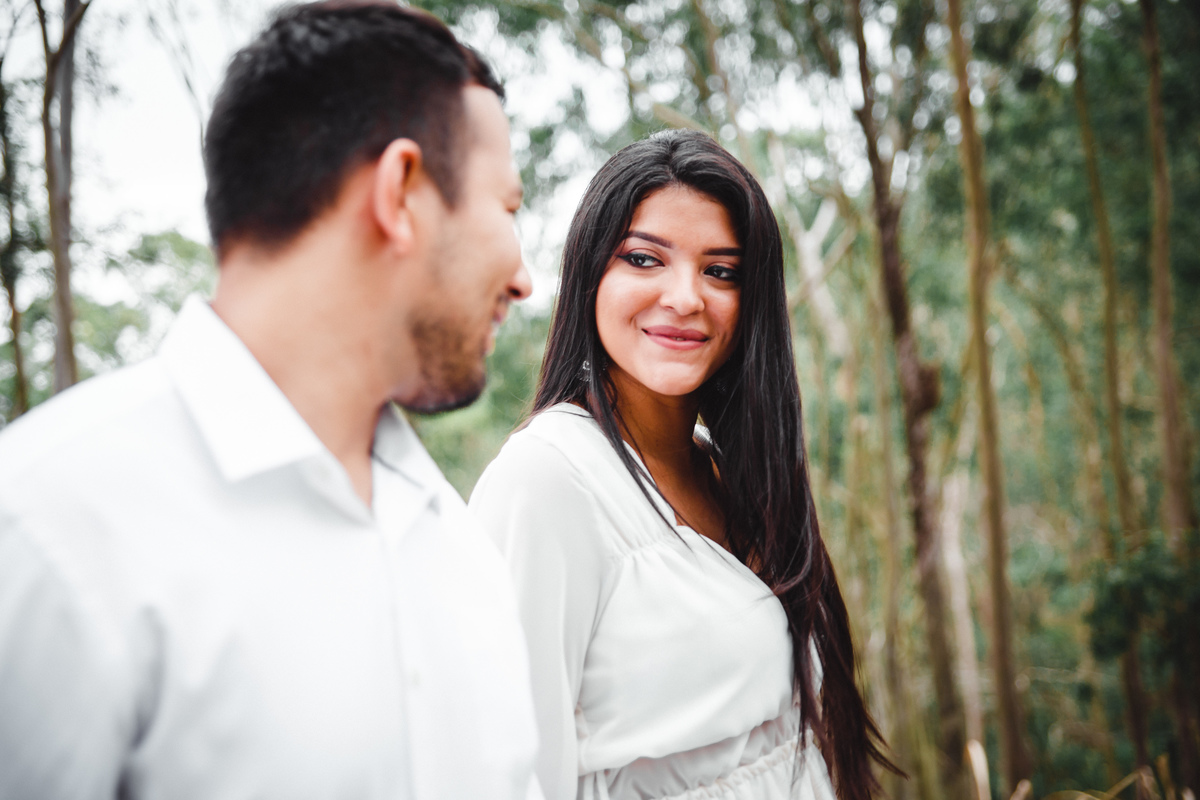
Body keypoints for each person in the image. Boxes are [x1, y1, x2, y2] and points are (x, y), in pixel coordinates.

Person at [0, 3, 541, 799]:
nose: (525, 278)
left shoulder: (463, 553)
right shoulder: (45, 531)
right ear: (400, 191)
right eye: (508, 208)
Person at [469, 130, 897, 800]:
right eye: (644, 259)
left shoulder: (733, 472)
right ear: (590, 276)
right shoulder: (547, 481)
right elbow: (504, 769)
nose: (685, 297)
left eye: (720, 270)